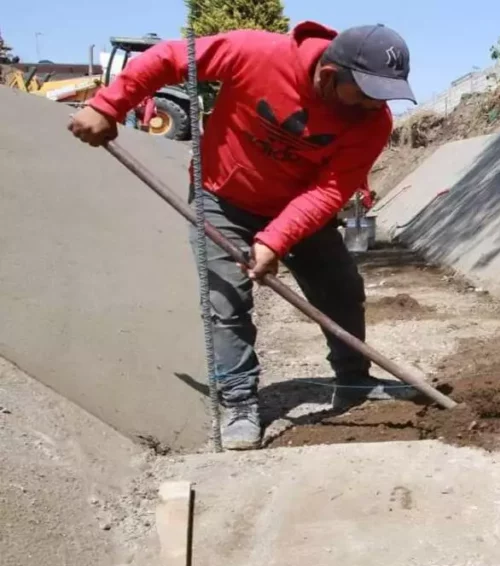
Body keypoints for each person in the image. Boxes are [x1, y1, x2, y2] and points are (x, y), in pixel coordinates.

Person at [67, 21, 417, 450]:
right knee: (226, 301)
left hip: (296, 207)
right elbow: (167, 58)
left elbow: (329, 189)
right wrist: (108, 105)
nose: (373, 106)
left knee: (341, 288)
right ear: (329, 75)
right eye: (364, 94)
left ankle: (353, 382)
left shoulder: (372, 121)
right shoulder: (254, 52)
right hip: (222, 197)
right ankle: (238, 401)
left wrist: (275, 239)